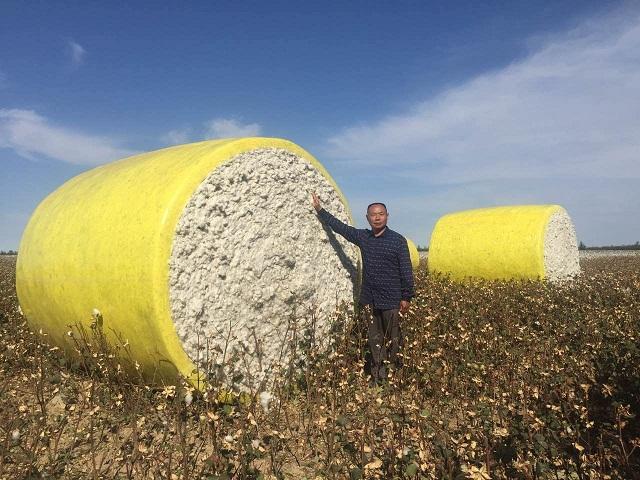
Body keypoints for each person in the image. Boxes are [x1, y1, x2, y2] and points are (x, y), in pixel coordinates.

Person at [311, 193, 414, 384]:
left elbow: (406, 271)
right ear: (367, 218)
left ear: (387, 216)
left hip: (392, 300)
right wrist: (320, 210)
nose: (377, 218)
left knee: (394, 340)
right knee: (374, 340)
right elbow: (341, 228)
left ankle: (394, 376)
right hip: (370, 299)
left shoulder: (398, 241)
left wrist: (406, 297)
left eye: (381, 214)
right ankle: (378, 378)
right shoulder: (364, 237)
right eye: (373, 215)